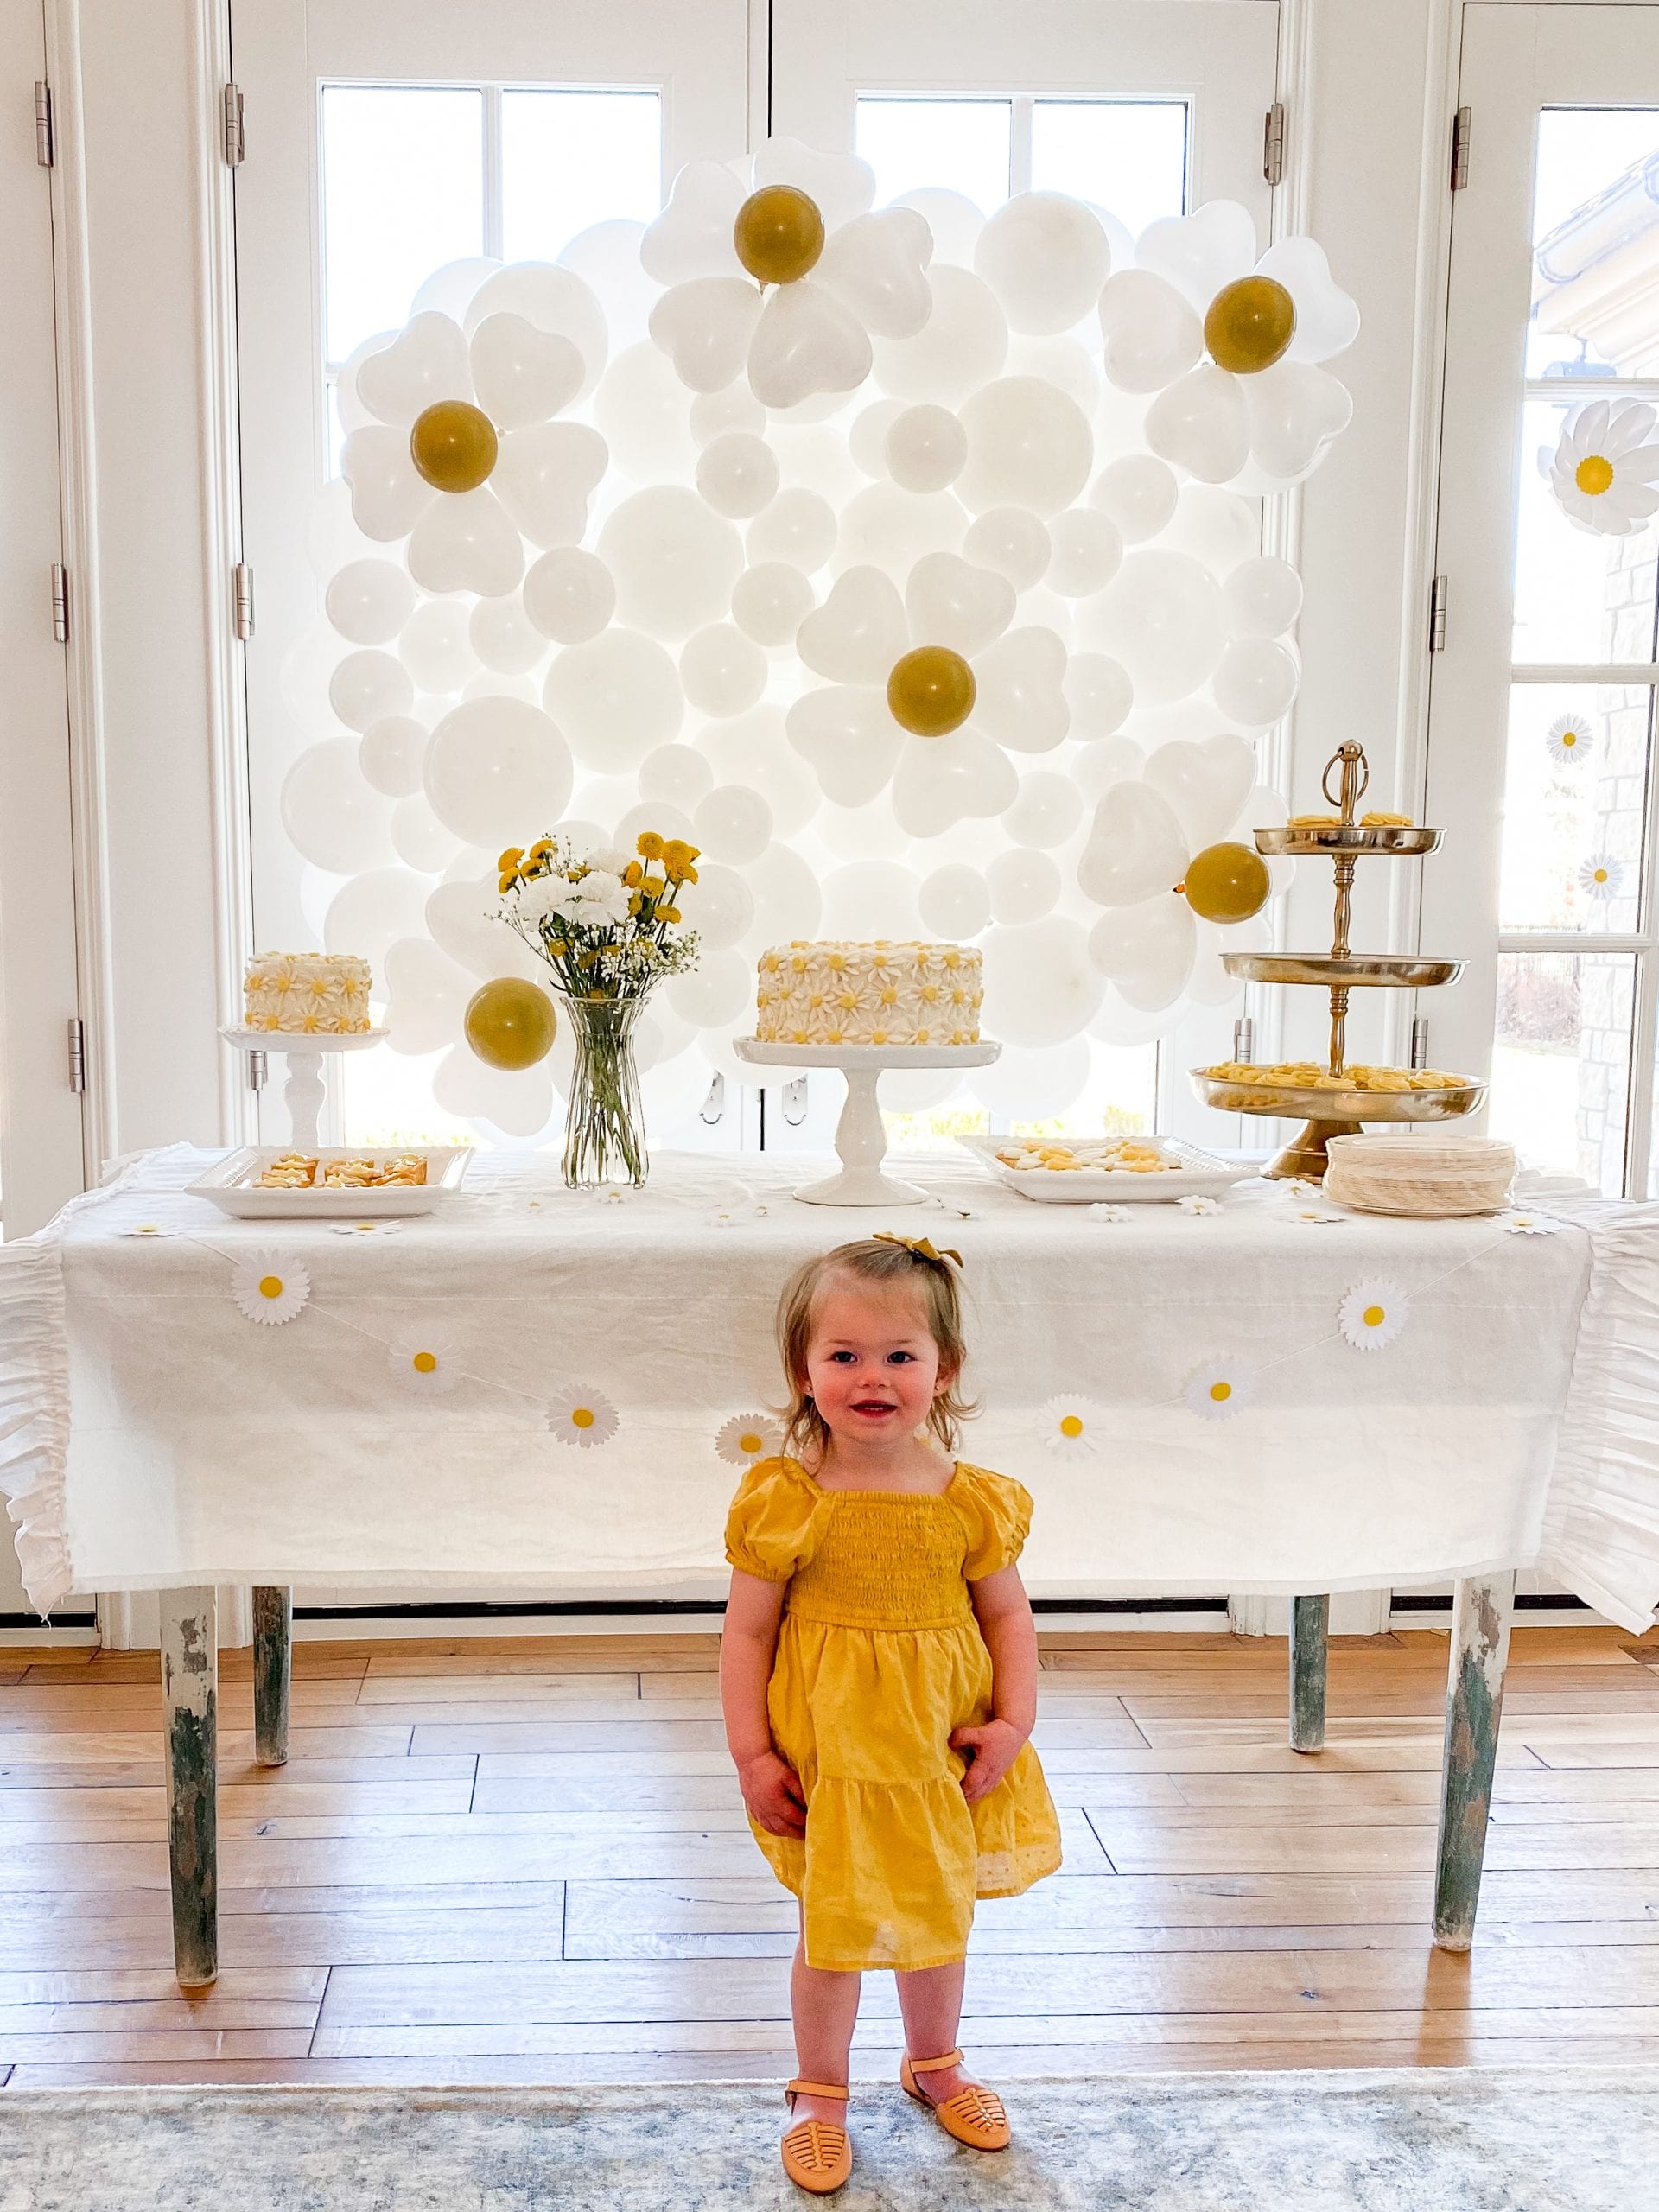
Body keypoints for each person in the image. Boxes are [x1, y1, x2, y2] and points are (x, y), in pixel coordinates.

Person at [720, 1231, 1063, 2196]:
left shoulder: (970, 1501)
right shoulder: (789, 1500)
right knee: (832, 1926)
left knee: (936, 1911)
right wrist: (753, 1754)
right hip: (832, 1750)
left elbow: (1007, 1614)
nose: (874, 1378)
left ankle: (933, 2061)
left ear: (943, 1370)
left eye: (900, 1356)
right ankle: (818, 2090)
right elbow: (746, 1636)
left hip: (936, 1745)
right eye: (845, 1355)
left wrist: (1014, 1723)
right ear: (803, 1370)